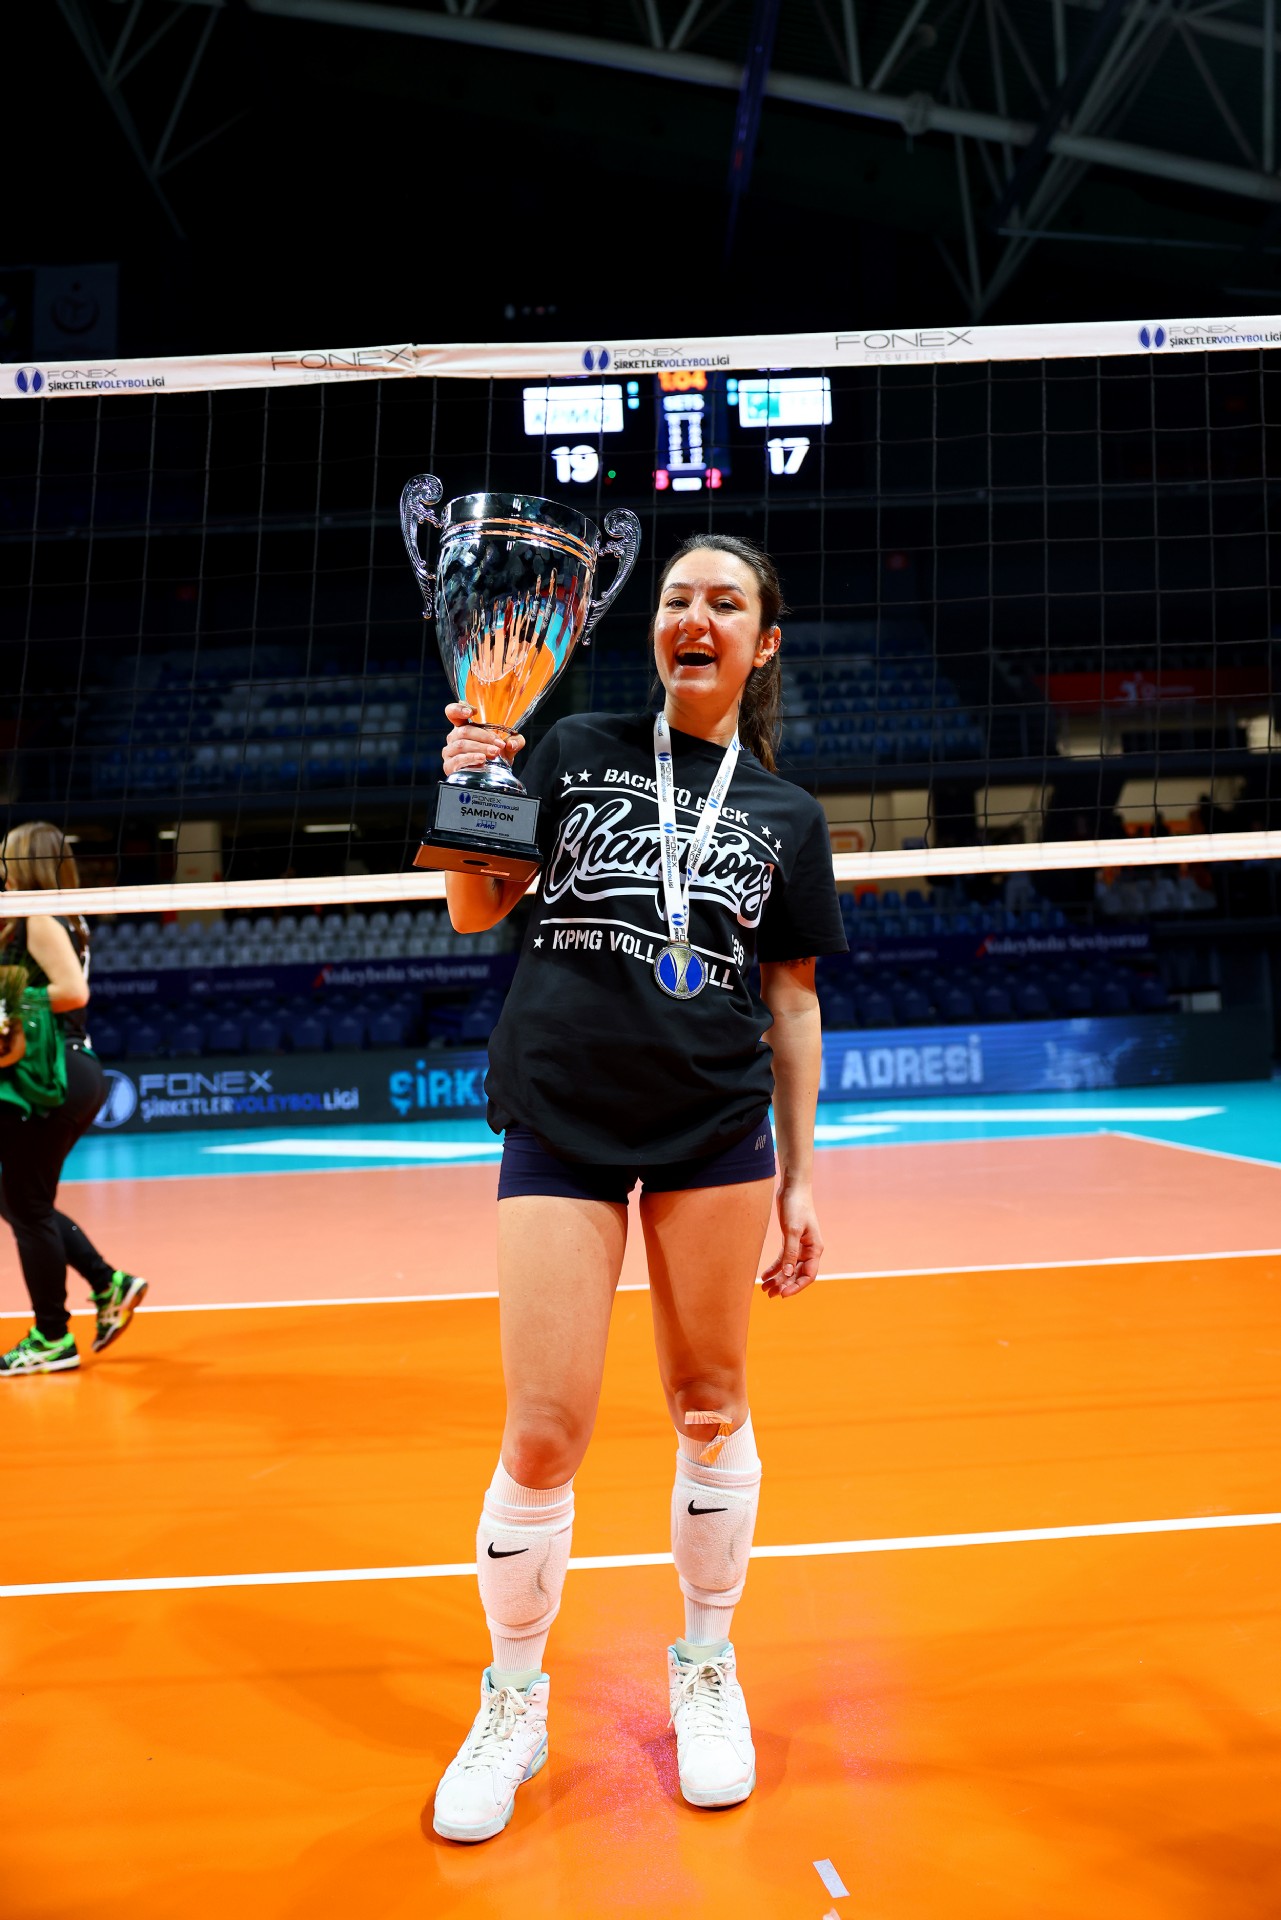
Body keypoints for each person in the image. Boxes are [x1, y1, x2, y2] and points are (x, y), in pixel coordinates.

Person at [430, 534, 847, 1843]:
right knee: (543, 1433)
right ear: (655, 630)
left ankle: (706, 1667)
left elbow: (793, 1006)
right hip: (560, 1109)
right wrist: (470, 783)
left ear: (761, 644)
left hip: (712, 1128)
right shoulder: (570, 748)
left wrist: (801, 1180)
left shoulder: (786, 816)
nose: (696, 615)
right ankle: (511, 1701)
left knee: (710, 1407)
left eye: (726, 601)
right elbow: (476, 912)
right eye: (677, 598)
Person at [0, 823, 147, 1376]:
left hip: (52, 1071)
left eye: (6, 859)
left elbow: (72, 993)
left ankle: (52, 1336)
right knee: (20, 1200)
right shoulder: (65, 913)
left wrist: (7, 997)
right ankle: (108, 1283)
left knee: (26, 1205)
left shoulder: (38, 914)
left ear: (23, 863)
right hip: (67, 1069)